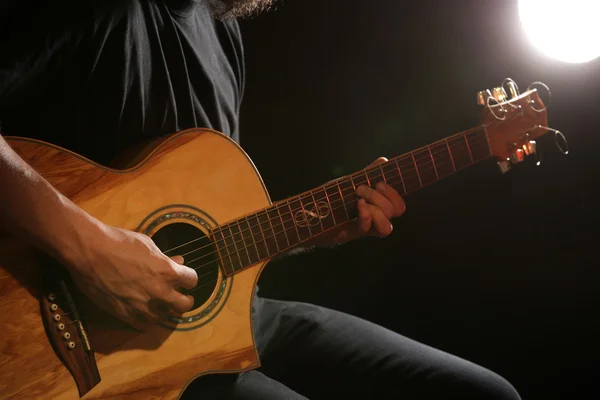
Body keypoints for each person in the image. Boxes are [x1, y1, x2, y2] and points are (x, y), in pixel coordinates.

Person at [0, 1, 521, 399]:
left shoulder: (222, 32)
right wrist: (90, 249)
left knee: (484, 393)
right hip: (82, 342)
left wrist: (325, 226)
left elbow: (213, 234)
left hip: (223, 321)